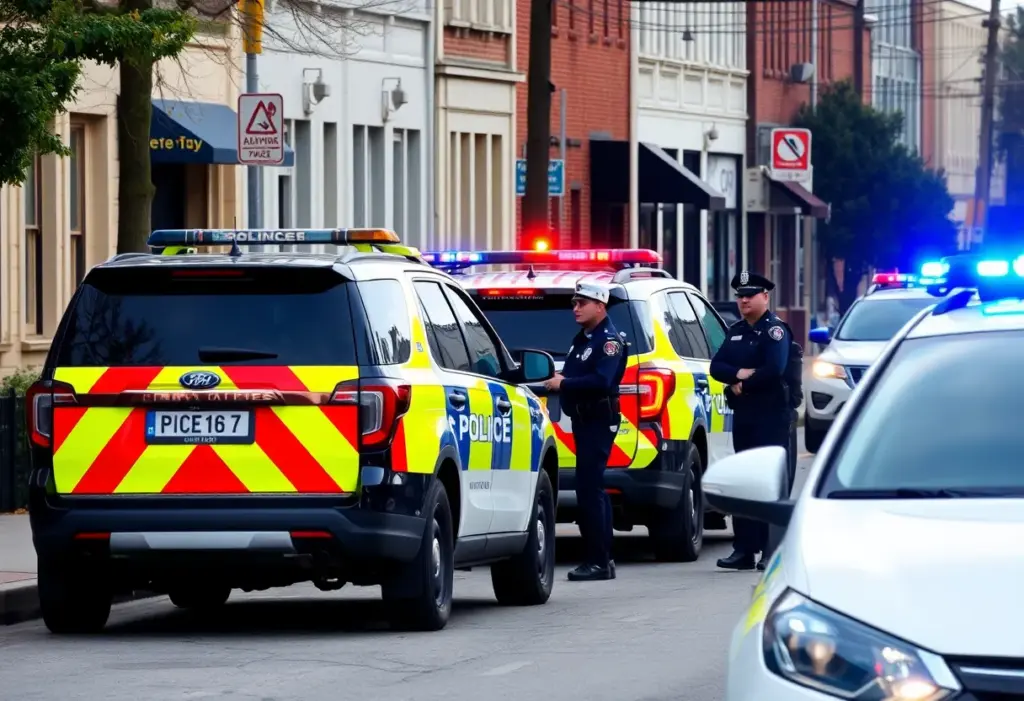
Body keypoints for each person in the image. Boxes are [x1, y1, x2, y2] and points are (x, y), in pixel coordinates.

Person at [543, 281, 627, 582]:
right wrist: (562, 377)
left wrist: (563, 384)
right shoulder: (584, 339)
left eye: (582, 303)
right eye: (574, 303)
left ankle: (598, 561)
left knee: (590, 490)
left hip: (597, 420)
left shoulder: (608, 341)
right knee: (591, 489)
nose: (576, 309)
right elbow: (578, 372)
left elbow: (602, 381)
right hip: (584, 420)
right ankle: (602, 558)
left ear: (600, 306)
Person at [709, 270, 792, 572]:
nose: (743, 300)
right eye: (740, 296)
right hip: (744, 416)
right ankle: (744, 549)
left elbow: (775, 368)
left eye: (750, 295)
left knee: (769, 483)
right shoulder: (736, 331)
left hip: (771, 417)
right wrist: (737, 374)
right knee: (744, 481)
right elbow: (716, 366)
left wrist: (743, 384)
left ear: (765, 297)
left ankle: (771, 550)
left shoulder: (775, 331)